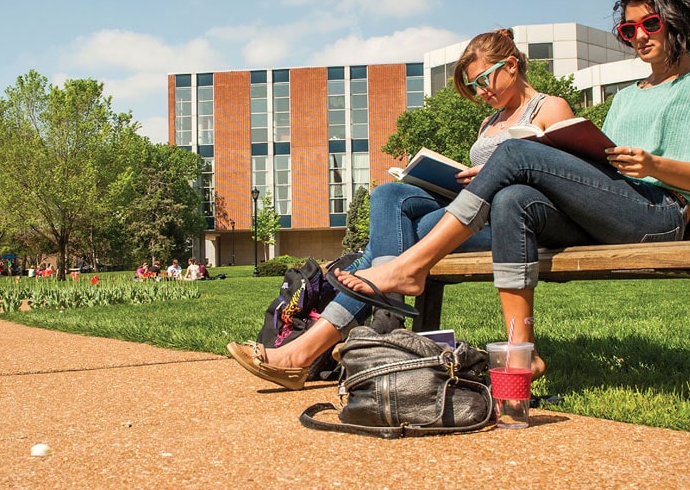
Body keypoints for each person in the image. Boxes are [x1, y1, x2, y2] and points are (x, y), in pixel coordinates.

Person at [330, 0, 690, 383]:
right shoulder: (626, 99)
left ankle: (407, 271)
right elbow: (601, 172)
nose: (639, 37)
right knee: (512, 199)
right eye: (628, 30)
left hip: (663, 213)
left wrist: (654, 166)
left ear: (677, 19)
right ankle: (520, 350)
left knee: (514, 151)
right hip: (612, 209)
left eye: (650, 24)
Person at [227, 27, 576, 389]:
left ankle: (311, 350)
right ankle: (379, 323)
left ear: (513, 65)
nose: (482, 91)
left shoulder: (549, 108)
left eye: (485, 79)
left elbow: (564, 180)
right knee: (388, 195)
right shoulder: (488, 122)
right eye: (475, 86)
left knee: (384, 251)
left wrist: (493, 176)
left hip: (511, 218)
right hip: (469, 211)